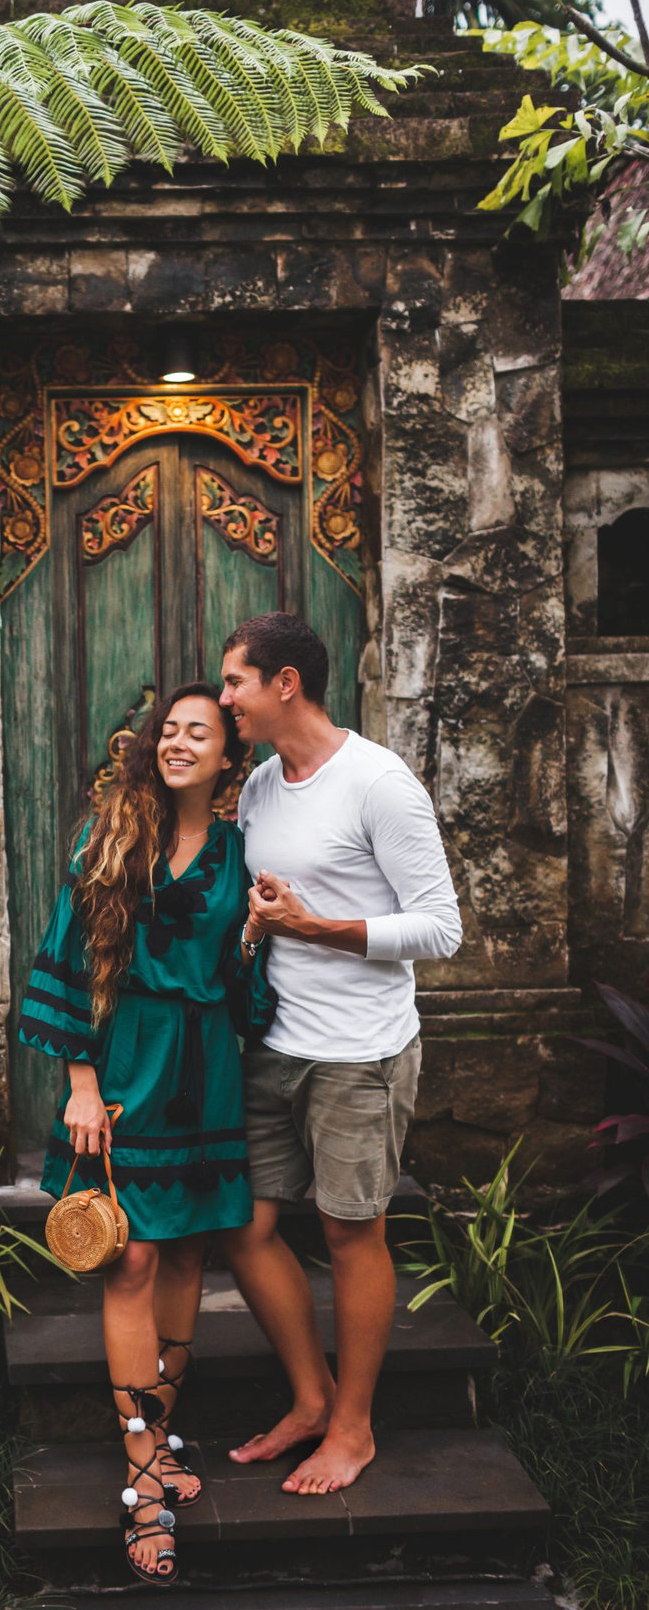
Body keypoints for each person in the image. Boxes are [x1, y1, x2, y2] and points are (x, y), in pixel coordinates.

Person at [19, 682, 274, 1585]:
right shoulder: (114, 835)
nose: (178, 743)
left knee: (185, 1260)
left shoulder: (242, 851)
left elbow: (246, 999)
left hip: (203, 1075)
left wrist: (251, 937)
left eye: (198, 732)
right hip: (122, 1067)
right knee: (126, 1259)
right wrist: (79, 1083)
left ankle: (159, 1440)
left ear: (225, 758)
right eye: (168, 729)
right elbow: (64, 954)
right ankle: (141, 1476)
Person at [218, 612, 462, 1496]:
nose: (224, 697)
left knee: (352, 1231)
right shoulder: (259, 786)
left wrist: (316, 926)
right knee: (243, 1229)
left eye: (236, 680)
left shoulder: (379, 782)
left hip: (359, 1052)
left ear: (286, 684)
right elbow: (264, 906)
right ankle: (312, 1397)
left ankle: (354, 1430)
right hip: (274, 1043)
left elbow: (441, 927)